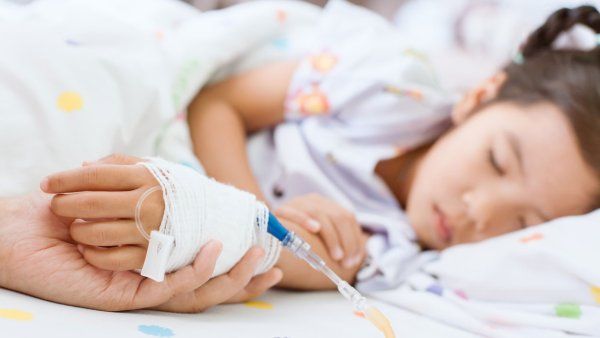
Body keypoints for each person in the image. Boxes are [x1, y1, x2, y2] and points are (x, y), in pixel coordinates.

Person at [40, 4, 600, 295]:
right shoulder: (388, 85)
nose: (482, 210)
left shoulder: (396, 249)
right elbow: (217, 103)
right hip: (180, 116)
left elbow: (287, 261)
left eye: (524, 221)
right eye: (497, 160)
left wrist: (284, 243)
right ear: (479, 97)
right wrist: (251, 211)